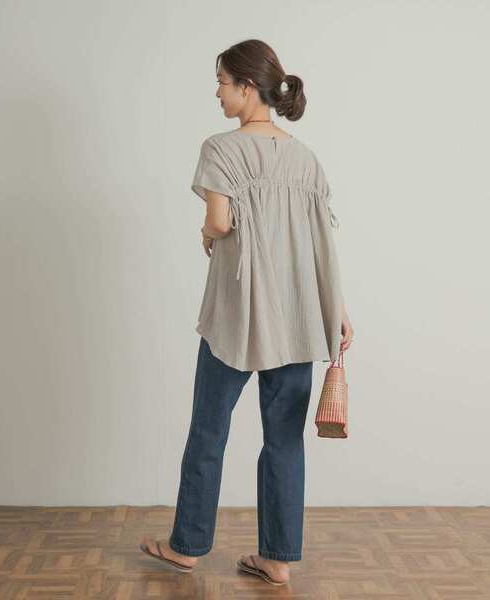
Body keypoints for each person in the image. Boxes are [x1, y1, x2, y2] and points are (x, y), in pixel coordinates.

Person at [141, 38, 354, 586]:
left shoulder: (221, 149)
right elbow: (321, 245)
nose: (217, 93)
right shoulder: (306, 159)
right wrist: (338, 310)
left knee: (208, 430)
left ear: (247, 86)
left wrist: (206, 232)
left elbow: (219, 222)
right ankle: (277, 560)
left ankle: (187, 546)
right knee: (283, 439)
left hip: (236, 315)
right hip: (299, 316)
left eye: (221, 83)